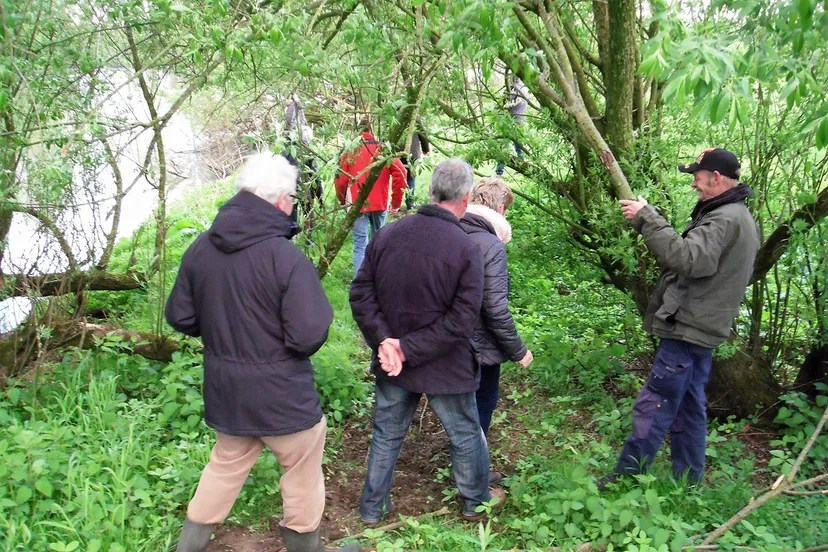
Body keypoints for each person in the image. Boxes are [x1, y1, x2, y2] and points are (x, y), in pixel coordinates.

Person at [165, 153, 359, 552]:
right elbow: (307, 335)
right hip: (282, 394)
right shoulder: (284, 258)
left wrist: (222, 331)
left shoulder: (200, 248)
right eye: (293, 199)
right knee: (302, 468)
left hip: (227, 390)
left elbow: (180, 316)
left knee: (226, 463)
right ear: (282, 200)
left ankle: (188, 547)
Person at [350, 158, 506, 524]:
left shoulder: (388, 234)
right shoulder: (465, 248)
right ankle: (475, 503)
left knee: (387, 434)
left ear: (431, 190)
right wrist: (398, 346)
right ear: (467, 197)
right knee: (465, 434)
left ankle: (372, 509)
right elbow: (462, 320)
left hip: (394, 361)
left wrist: (387, 342)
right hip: (443, 364)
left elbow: (360, 294)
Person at [598, 148, 759, 490]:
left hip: (688, 330)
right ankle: (688, 482)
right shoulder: (735, 215)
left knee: (654, 403)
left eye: (697, 178)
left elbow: (688, 260)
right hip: (702, 329)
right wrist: (648, 218)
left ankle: (625, 478)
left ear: (716, 178)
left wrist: (648, 218)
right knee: (689, 407)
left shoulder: (724, 218)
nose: (693, 185)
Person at [459, 178, 533, 483]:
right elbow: (494, 308)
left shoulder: (450, 230)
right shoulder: (490, 244)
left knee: (458, 404)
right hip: (478, 344)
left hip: (445, 337)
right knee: (483, 401)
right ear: (501, 209)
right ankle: (473, 472)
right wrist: (519, 351)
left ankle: (463, 462)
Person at [335, 118, 407, 277]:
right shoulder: (383, 148)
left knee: (360, 245)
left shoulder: (350, 150)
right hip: (379, 202)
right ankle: (379, 279)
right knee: (379, 242)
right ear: (372, 129)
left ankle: (359, 284)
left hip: (357, 204)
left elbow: (341, 179)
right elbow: (402, 172)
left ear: (358, 131)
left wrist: (342, 200)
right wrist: (396, 202)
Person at [282, 97, 322, 239]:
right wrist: (320, 196)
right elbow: (315, 172)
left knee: (292, 215)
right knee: (308, 214)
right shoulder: (306, 148)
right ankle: (308, 240)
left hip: (290, 188)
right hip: (304, 187)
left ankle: (293, 239)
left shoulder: (284, 146)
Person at [495, 77, 528, 176]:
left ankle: (499, 171)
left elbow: (505, 105)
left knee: (504, 146)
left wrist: (496, 110)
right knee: (519, 146)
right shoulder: (525, 89)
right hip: (521, 120)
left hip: (510, 121)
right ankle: (522, 168)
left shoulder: (513, 89)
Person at [401, 119, 430, 210]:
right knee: (410, 177)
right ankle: (410, 203)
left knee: (398, 176)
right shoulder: (414, 116)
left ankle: (396, 204)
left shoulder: (395, 114)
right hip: (412, 152)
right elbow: (422, 133)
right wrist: (426, 149)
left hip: (398, 152)